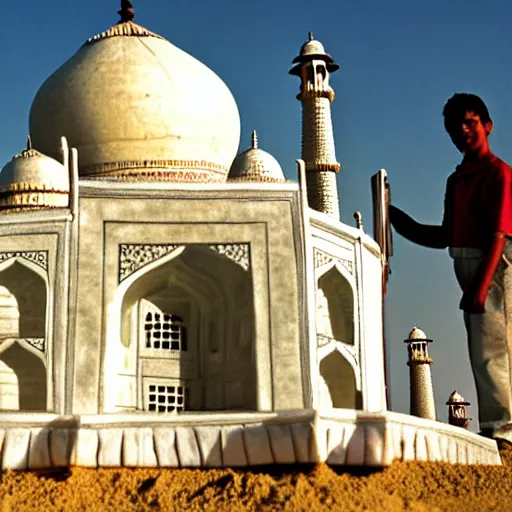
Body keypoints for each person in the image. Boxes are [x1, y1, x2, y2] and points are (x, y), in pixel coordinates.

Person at [389, 93, 512, 437]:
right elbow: (446, 236)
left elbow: (499, 235)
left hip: (494, 266)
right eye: (455, 126)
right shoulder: (456, 180)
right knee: (482, 353)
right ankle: (496, 428)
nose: (462, 131)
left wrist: (481, 286)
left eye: (470, 123)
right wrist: (398, 220)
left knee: (496, 350)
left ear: (487, 126)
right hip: (469, 267)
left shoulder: (497, 173)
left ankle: (504, 432)